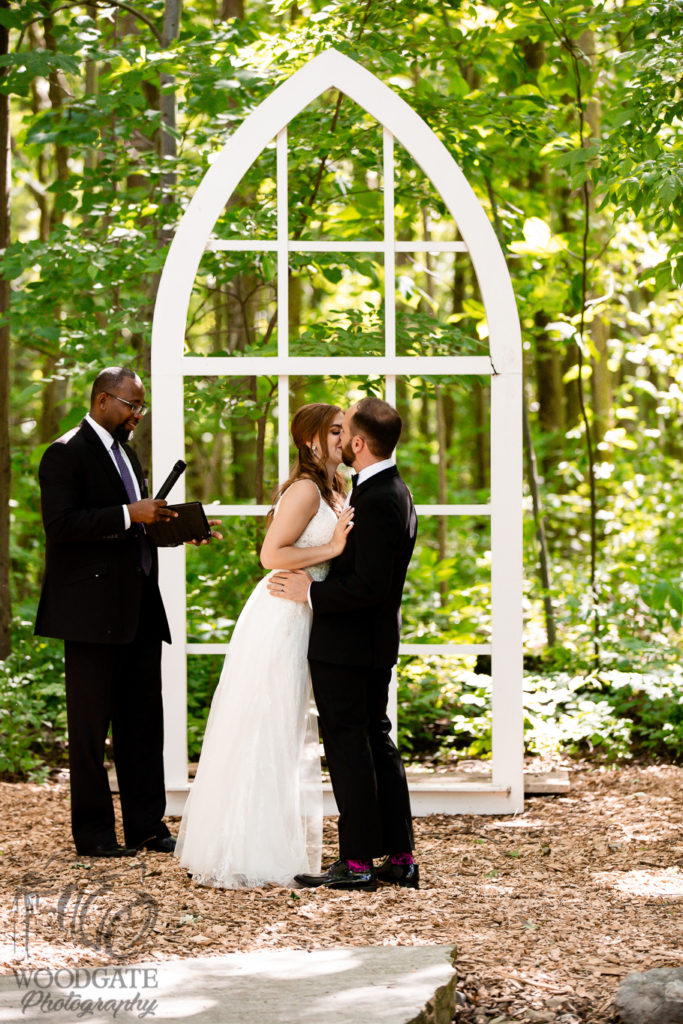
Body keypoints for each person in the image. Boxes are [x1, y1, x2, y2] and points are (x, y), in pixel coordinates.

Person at [175, 403, 354, 889]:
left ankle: (266, 838)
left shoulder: (338, 489)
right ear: (311, 441)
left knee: (285, 727)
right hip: (281, 611)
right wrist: (332, 550)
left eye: (346, 429)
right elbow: (270, 555)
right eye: (335, 431)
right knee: (266, 723)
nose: (344, 437)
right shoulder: (305, 489)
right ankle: (245, 849)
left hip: (306, 609)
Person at [268, 397, 418, 892]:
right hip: (368, 643)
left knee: (352, 750)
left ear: (357, 443)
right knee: (375, 745)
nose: (338, 440)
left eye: (343, 431)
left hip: (348, 646)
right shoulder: (390, 490)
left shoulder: (376, 498)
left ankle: (356, 864)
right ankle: (399, 855)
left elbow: (369, 587)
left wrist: (311, 591)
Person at [36, 366, 182, 858]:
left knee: (143, 724)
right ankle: (96, 836)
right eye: (131, 405)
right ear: (102, 401)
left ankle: (146, 826)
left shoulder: (125, 450)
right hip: (89, 614)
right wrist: (129, 513)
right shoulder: (64, 452)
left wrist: (177, 525)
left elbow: (134, 527)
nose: (137, 415)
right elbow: (60, 525)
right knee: (90, 731)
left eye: (140, 407)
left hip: (138, 607)